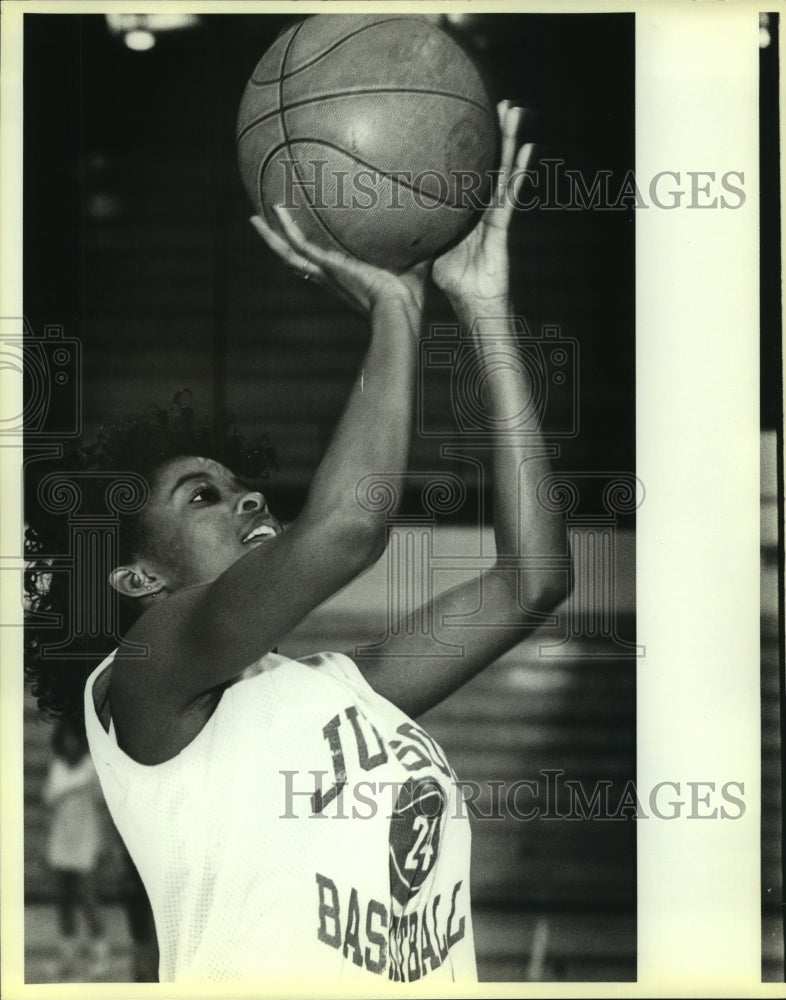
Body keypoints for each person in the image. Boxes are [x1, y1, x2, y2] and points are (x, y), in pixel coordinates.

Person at [25, 103, 570, 983]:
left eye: (243, 486)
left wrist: (485, 311)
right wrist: (396, 308)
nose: (245, 500)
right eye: (202, 496)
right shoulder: (144, 671)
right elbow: (348, 528)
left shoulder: (343, 690)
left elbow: (533, 582)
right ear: (134, 574)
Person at [41, 718, 110, 980]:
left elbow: (102, 809)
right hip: (60, 842)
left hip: (86, 841)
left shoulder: (92, 769)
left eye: (75, 738)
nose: (71, 743)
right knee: (64, 903)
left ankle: (100, 957)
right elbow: (48, 803)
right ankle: (67, 960)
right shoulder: (57, 767)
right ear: (61, 741)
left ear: (82, 741)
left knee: (89, 901)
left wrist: (103, 845)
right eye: (66, 738)